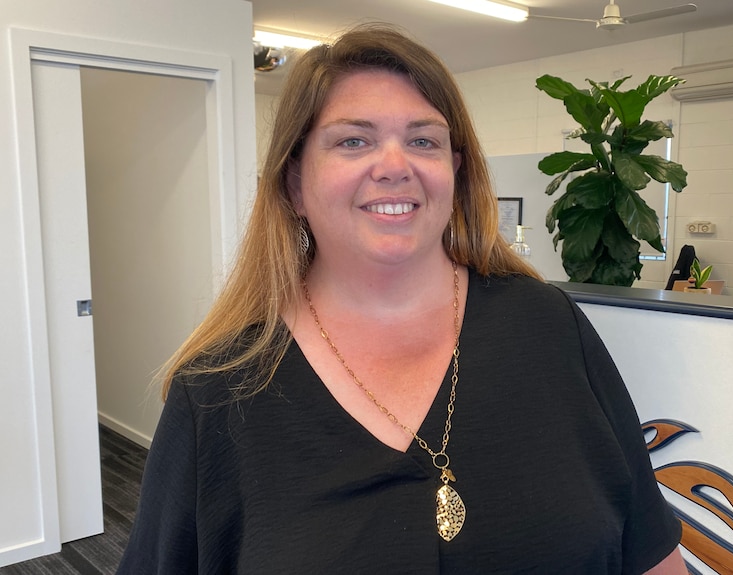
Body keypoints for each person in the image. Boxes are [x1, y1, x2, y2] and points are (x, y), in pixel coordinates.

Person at [118, 22, 686, 574]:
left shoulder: (549, 326)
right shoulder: (220, 389)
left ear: (454, 172)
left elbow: (650, 552)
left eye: (423, 140)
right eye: (353, 140)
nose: (395, 166)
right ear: (294, 182)